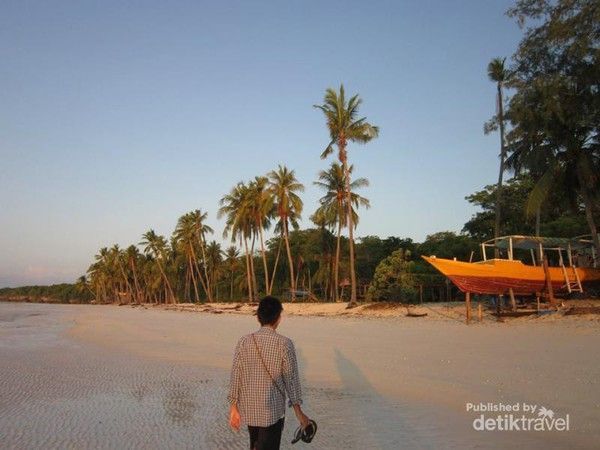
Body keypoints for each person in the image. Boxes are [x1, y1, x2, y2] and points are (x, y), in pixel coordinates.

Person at [228, 296, 310, 450]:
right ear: (278, 318)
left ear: (258, 317)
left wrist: (233, 407)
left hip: (249, 409)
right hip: (273, 412)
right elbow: (291, 380)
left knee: (255, 444)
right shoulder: (285, 343)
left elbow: (236, 375)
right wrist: (299, 413)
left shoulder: (244, 341)